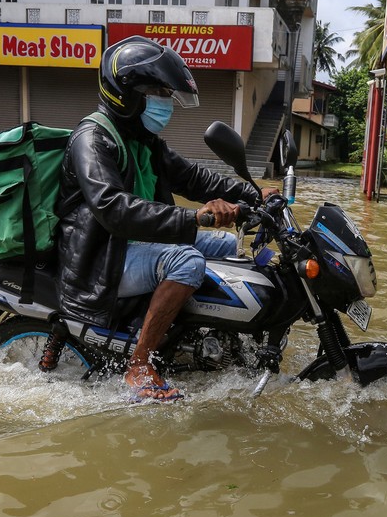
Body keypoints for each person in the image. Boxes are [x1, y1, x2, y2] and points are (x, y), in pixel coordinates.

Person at [56, 36, 270, 402]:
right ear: (127, 93)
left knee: (226, 244)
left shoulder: (143, 139)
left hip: (133, 244)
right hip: (101, 257)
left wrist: (256, 195)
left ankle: (202, 335)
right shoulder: (92, 139)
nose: (164, 101)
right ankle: (139, 363)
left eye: (166, 92)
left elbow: (194, 179)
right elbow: (113, 208)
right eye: (156, 90)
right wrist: (195, 218)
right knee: (187, 260)